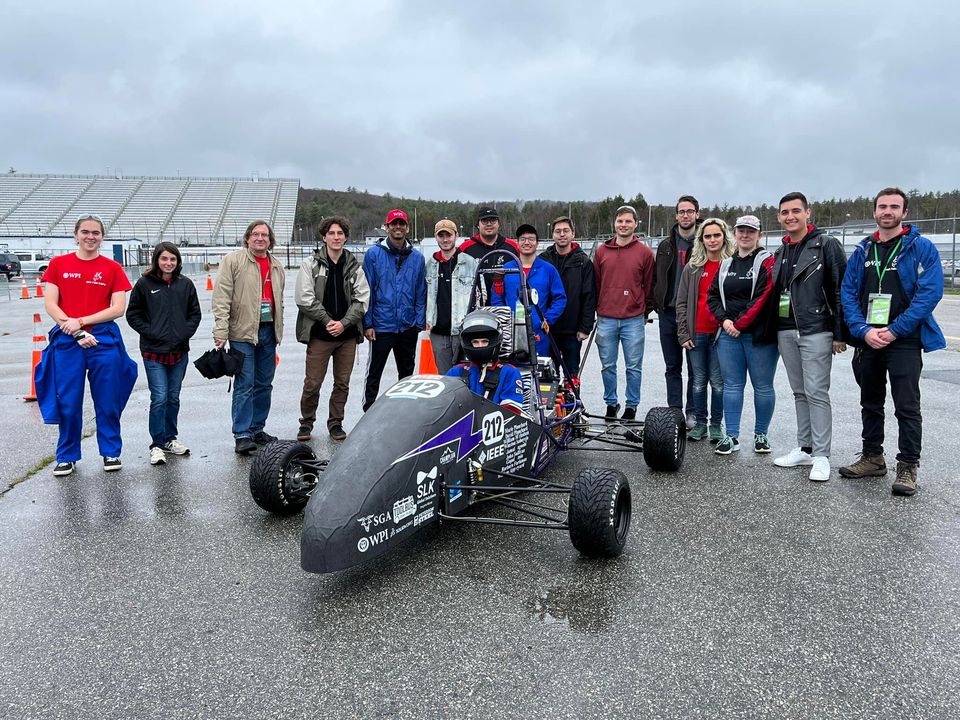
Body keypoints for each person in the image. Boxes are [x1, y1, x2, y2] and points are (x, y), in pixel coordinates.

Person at [839, 187, 945, 497]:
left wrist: (896, 329)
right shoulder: (863, 250)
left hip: (903, 340)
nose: (887, 211)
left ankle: (908, 465)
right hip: (868, 339)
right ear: (874, 211)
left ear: (904, 212)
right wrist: (862, 330)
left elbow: (930, 293)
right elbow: (848, 293)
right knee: (870, 402)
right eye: (882, 206)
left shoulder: (921, 247)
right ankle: (872, 457)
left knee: (906, 406)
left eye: (894, 207)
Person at [36, 214, 137, 476]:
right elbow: (51, 304)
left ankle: (111, 451)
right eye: (85, 232)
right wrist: (75, 330)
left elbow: (117, 308)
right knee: (68, 401)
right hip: (67, 338)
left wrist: (81, 321)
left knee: (108, 400)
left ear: (102, 237)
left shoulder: (112, 268)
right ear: (76, 235)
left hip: (103, 338)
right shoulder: (58, 264)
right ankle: (66, 455)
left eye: (96, 233)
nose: (90, 237)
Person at [764, 192, 847, 482]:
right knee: (799, 391)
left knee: (816, 392)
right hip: (785, 329)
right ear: (779, 217)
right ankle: (805, 447)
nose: (790, 217)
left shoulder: (825, 245)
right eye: (785, 212)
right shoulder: (780, 251)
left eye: (795, 211)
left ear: (807, 213)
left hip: (815, 329)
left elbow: (840, 289)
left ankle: (822, 455)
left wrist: (839, 333)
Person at [212, 219, 286, 455]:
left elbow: (279, 300)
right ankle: (242, 434)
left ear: (270, 240)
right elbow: (221, 297)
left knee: (264, 384)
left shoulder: (276, 266)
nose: (260, 238)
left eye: (265, 235)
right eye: (256, 234)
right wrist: (221, 330)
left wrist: (279, 329)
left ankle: (257, 428)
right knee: (245, 384)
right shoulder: (233, 261)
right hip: (242, 332)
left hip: (268, 331)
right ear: (248, 238)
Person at [126, 241, 202, 466]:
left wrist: (183, 333)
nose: (168, 263)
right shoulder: (144, 284)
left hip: (179, 351)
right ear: (157, 260)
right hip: (153, 352)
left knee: (173, 397)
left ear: (178, 261)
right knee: (159, 397)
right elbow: (133, 314)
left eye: (172, 259)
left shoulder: (185, 284)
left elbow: (195, 314)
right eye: (164, 258)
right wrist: (152, 332)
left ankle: (170, 438)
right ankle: (156, 444)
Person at [295, 216, 370, 443]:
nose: (336, 237)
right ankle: (306, 422)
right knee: (312, 383)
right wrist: (328, 321)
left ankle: (336, 423)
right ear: (324, 237)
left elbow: (362, 299)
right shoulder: (310, 264)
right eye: (332, 233)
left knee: (342, 383)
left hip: (347, 337)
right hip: (319, 335)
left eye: (340, 233)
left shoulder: (354, 266)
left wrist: (344, 323)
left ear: (345, 237)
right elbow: (304, 298)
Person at [707, 215, 778, 455]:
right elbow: (713, 297)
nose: (745, 235)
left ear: (759, 235)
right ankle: (731, 436)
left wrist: (740, 324)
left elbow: (764, 297)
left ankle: (761, 435)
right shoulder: (726, 264)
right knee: (732, 386)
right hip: (729, 334)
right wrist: (725, 321)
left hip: (759, 335)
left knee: (763, 386)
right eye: (741, 231)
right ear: (734, 234)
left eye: (751, 231)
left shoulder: (767, 261)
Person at [593, 205, 655, 421]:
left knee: (633, 367)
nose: (624, 225)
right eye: (620, 221)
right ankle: (611, 403)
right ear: (615, 223)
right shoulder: (602, 251)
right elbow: (597, 283)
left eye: (628, 221)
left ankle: (631, 406)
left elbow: (649, 285)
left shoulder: (644, 253)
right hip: (606, 318)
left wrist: (645, 310)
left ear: (635, 224)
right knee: (608, 366)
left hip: (633, 319)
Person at [362, 208, 426, 411]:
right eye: (394, 224)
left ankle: (404, 411)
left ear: (407, 227)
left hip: (407, 326)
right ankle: (368, 410)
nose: (398, 227)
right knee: (374, 372)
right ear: (387, 226)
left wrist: (418, 322)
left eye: (401, 224)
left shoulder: (417, 258)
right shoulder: (373, 255)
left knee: (407, 374)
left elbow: (420, 291)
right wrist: (368, 323)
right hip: (381, 325)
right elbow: (366, 290)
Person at [676, 218, 732, 447]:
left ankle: (716, 425)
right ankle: (700, 423)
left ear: (724, 237)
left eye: (716, 235)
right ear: (701, 240)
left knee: (718, 382)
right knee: (698, 381)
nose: (712, 240)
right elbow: (681, 303)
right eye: (707, 236)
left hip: (721, 334)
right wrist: (683, 333)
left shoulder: (731, 265)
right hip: (697, 332)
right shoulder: (692, 268)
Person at [654, 195, 700, 429]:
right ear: (676, 215)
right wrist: (657, 303)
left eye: (690, 211)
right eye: (682, 211)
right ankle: (675, 412)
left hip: (694, 315)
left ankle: (693, 412)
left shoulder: (704, 242)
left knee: (695, 368)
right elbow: (657, 277)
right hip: (668, 314)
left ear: (697, 214)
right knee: (672, 367)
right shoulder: (665, 245)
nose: (685, 215)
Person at [491, 224, 566, 358]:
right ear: (517, 243)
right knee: (510, 368)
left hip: (538, 333)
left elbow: (560, 298)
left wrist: (546, 320)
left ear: (537, 243)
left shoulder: (548, 270)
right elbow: (497, 297)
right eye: (523, 239)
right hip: (510, 333)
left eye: (531, 239)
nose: (527, 242)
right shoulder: (505, 270)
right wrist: (504, 321)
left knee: (538, 368)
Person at [539, 215, 595, 381]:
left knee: (571, 375)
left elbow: (589, 296)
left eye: (565, 231)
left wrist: (585, 327)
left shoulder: (583, 262)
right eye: (558, 231)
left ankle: (572, 396)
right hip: (548, 328)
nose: (562, 234)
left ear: (573, 233)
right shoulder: (543, 260)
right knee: (548, 375)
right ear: (553, 235)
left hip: (572, 330)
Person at [446, 310, 525, 414]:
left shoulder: (509, 373)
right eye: (475, 342)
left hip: (494, 423)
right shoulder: (456, 372)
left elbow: (512, 414)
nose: (480, 346)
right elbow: (444, 407)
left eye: (484, 341)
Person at [425, 218, 478, 374]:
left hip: (464, 331)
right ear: (436, 238)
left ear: (456, 236)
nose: (445, 239)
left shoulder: (471, 263)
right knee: (445, 378)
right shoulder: (429, 265)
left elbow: (481, 296)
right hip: (438, 333)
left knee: (469, 376)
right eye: (441, 235)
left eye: (449, 235)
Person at [458, 206, 520, 301]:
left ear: (499, 224)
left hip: (506, 304)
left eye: (493, 220)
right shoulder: (465, 248)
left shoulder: (512, 247)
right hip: (475, 304)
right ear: (478, 225)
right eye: (484, 221)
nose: (489, 224)